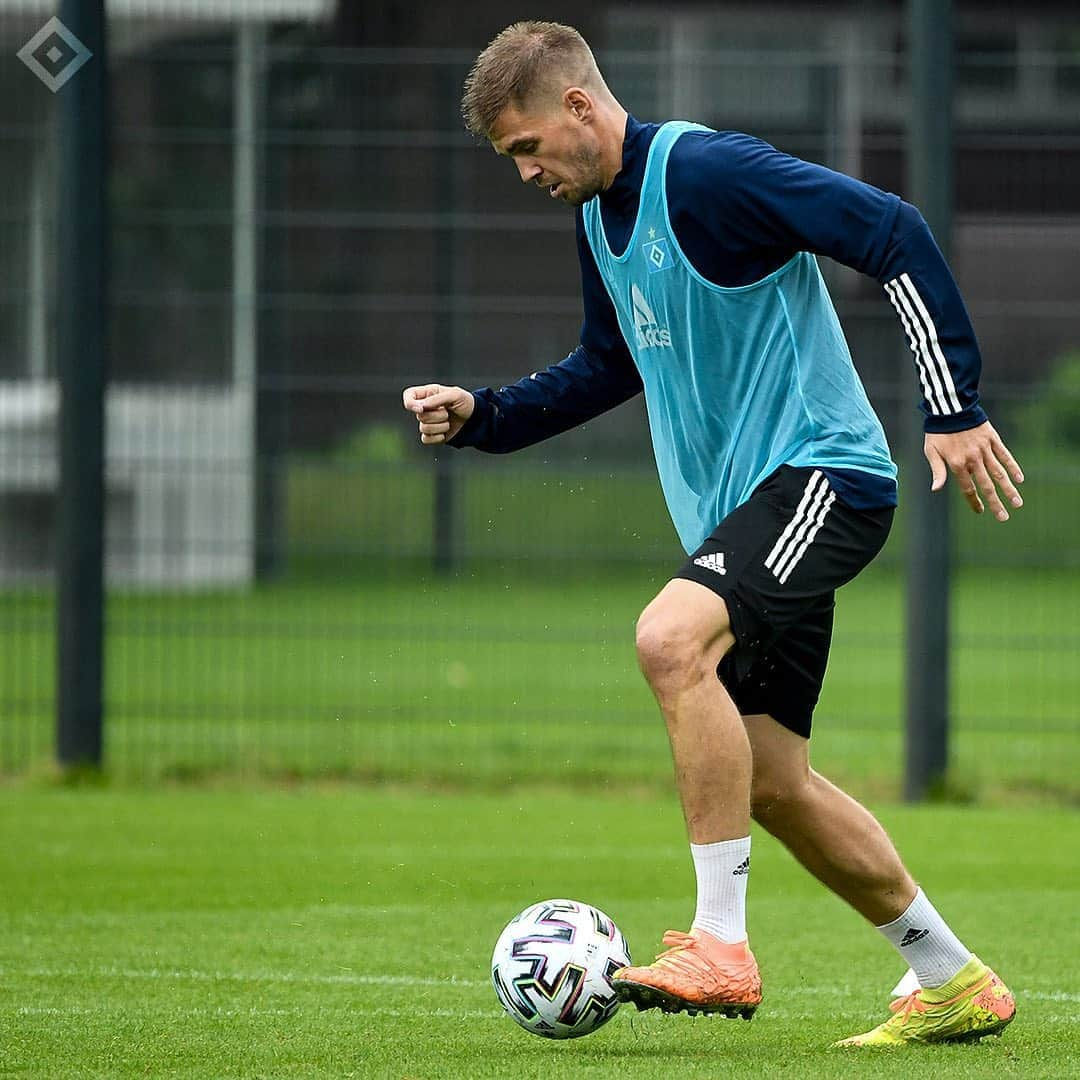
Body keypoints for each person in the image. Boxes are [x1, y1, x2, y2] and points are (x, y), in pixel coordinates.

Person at [402, 21, 1023, 1047]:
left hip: (827, 476)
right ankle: (950, 977)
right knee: (773, 784)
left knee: (668, 639)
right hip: (752, 514)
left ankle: (720, 946)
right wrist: (486, 414)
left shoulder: (709, 172)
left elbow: (892, 229)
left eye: (526, 149)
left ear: (580, 109)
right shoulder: (601, 219)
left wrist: (952, 405)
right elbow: (609, 364)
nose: (525, 173)